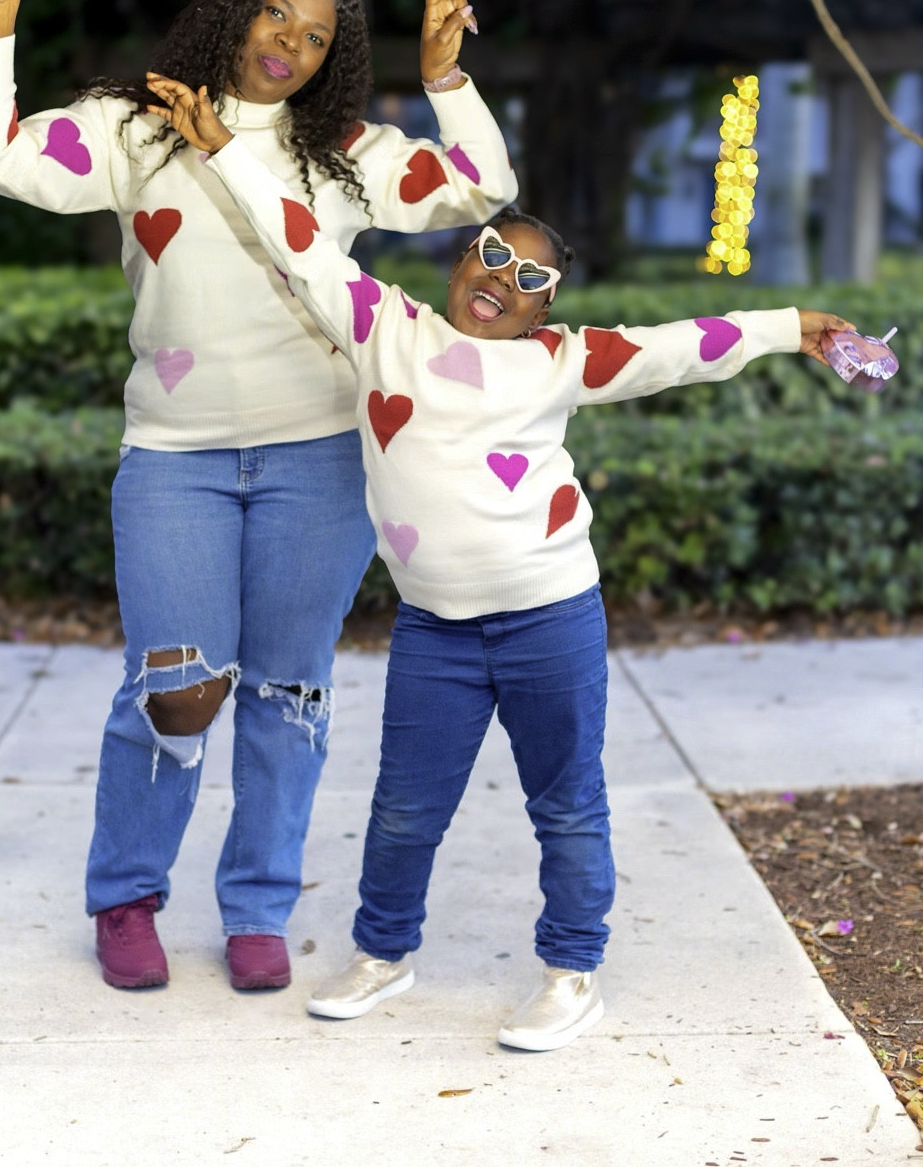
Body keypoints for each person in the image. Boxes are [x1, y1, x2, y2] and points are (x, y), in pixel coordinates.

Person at [142, 68, 853, 1049]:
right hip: (436, 630)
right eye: (491, 255)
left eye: (531, 278)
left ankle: (572, 970)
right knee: (402, 810)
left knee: (565, 807)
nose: (502, 281)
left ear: (547, 306)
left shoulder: (563, 361)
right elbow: (298, 243)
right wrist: (225, 151)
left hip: (550, 620)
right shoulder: (384, 330)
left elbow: (683, 343)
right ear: (459, 257)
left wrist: (793, 328)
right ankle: (383, 952)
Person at [0, 0, 517, 994]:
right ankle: (126, 894)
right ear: (239, 5)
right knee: (176, 686)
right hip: (176, 459)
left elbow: (482, 188)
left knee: (289, 693)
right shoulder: (137, 125)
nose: (288, 46)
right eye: (276, 15)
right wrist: (0, 8)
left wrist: (445, 78)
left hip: (318, 460)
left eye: (313, 38)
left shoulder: (343, 154)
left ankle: (258, 907)